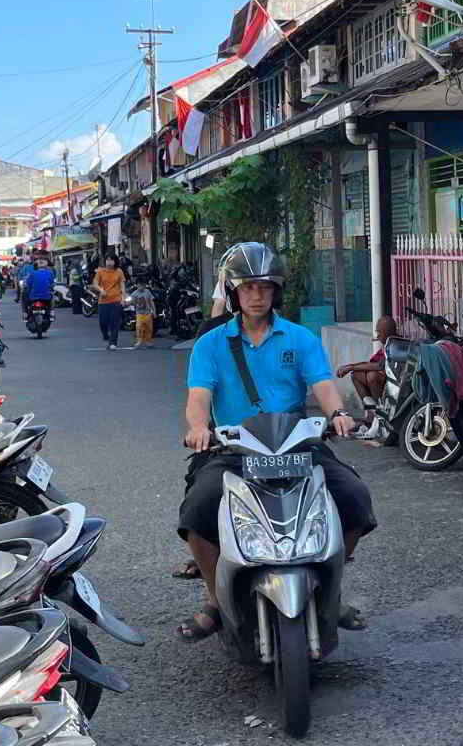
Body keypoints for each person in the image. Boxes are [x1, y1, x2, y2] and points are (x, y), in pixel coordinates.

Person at [174, 241, 375, 640]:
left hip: (296, 443)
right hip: (233, 447)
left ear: (276, 291)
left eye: (265, 287)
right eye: (247, 287)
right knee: (196, 512)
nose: (256, 295)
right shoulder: (211, 344)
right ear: (233, 292)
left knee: (354, 498)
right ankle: (216, 599)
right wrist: (198, 429)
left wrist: (337, 415)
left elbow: (323, 385)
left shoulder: (299, 338)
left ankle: (330, 591)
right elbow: (198, 399)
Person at [94, 255, 126, 350]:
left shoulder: (119, 271)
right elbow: (95, 283)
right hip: (103, 301)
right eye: (107, 260)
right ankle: (105, 334)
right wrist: (101, 290)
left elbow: (122, 285)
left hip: (116, 299)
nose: (109, 262)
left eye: (111, 260)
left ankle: (113, 342)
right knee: (102, 322)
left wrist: (123, 298)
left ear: (115, 261)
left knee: (114, 322)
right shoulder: (100, 271)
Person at [131, 276, 157, 349]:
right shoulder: (134, 294)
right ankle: (139, 341)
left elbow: (151, 302)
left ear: (145, 285)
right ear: (136, 285)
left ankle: (148, 341)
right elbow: (132, 302)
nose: (141, 287)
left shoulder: (147, 292)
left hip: (148, 313)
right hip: (139, 313)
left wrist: (154, 311)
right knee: (139, 327)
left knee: (149, 328)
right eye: (139, 285)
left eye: (142, 285)